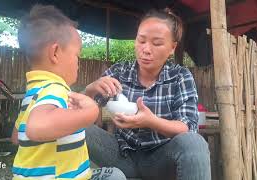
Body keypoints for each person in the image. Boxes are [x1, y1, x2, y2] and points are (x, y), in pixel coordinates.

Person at [85, 9, 211, 180]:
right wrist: (91, 89)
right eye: (141, 40)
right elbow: (87, 114)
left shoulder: (180, 76)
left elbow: (188, 127)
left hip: (161, 160)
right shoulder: (119, 72)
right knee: (74, 125)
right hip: (120, 155)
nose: (146, 49)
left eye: (157, 43)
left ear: (172, 48)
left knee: (194, 143)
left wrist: (151, 121)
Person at [11, 5, 126, 180]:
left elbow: (17, 137)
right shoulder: (55, 88)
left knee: (114, 175)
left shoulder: (33, 93)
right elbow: (36, 128)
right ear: (55, 53)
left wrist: (87, 94)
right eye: (77, 56)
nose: (78, 63)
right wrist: (91, 111)